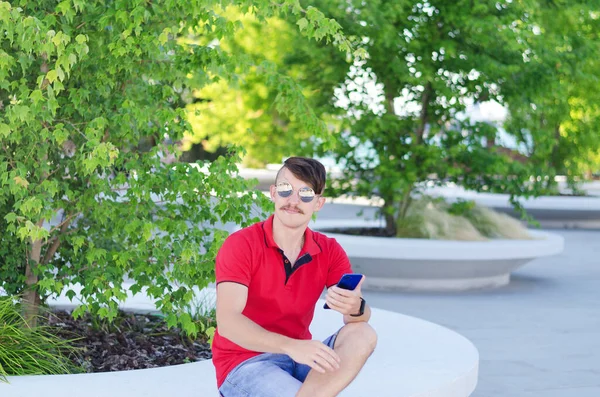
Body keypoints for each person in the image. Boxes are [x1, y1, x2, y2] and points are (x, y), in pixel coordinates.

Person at [212, 156, 377, 397]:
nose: (293, 200)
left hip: (299, 360)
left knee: (363, 333)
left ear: (318, 203)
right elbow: (228, 322)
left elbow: (358, 318)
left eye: (306, 193)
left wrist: (356, 307)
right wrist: (291, 346)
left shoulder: (329, 250)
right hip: (246, 363)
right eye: (286, 189)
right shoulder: (242, 244)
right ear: (273, 193)